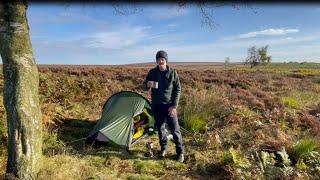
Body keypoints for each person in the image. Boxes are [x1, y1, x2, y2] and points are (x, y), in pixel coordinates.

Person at [143, 50, 184, 163]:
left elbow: (178, 89)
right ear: (156, 61)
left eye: (162, 59)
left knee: (175, 129)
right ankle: (164, 148)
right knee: (160, 129)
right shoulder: (152, 72)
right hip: (157, 106)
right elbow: (144, 86)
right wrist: (147, 85)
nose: (160, 61)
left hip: (169, 106)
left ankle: (180, 152)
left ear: (166, 60)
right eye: (158, 59)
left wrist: (174, 105)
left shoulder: (172, 73)